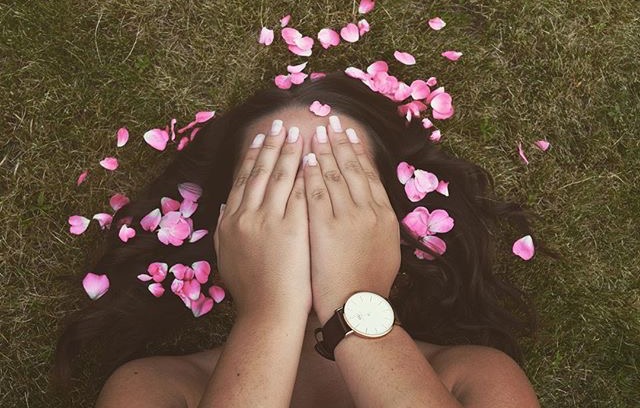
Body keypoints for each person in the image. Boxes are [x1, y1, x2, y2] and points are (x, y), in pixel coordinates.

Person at [51, 71, 544, 407]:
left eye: (341, 187)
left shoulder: (476, 378)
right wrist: (271, 310)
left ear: (393, 221)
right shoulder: (154, 389)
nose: (308, 218)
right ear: (224, 229)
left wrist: (354, 301)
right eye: (272, 189)